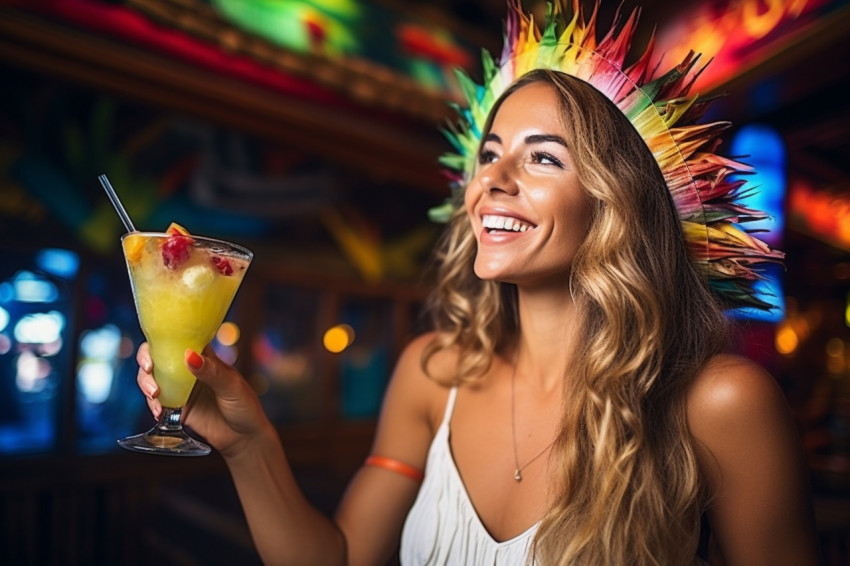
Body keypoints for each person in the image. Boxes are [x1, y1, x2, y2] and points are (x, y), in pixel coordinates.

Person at [135, 4, 819, 565]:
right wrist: (249, 445)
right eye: (489, 154)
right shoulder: (434, 374)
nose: (491, 179)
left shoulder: (719, 404)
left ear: (617, 203)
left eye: (542, 157)